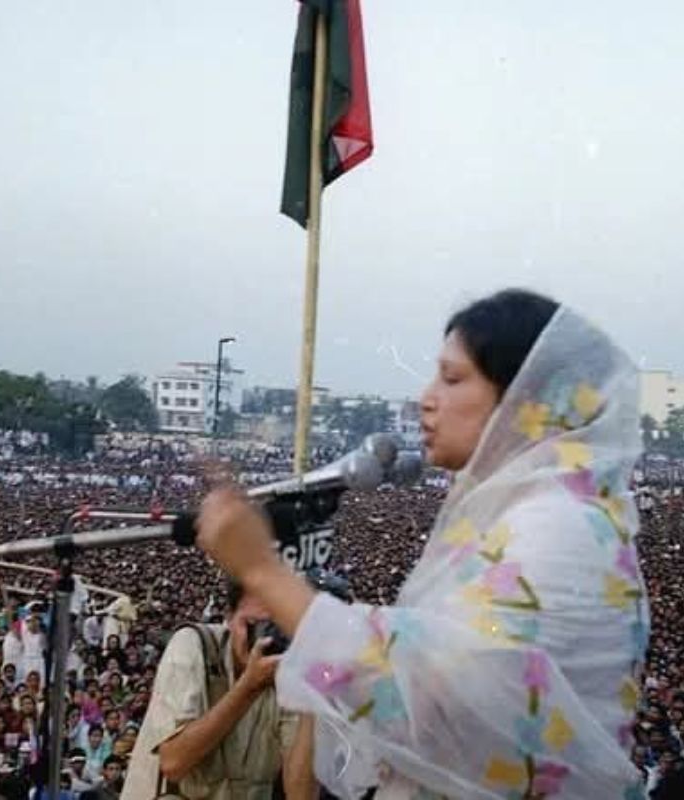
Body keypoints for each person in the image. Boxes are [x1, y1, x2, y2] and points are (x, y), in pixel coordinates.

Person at [194, 290, 650, 798]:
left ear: (524, 401)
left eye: (452, 378)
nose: (426, 397)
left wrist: (262, 571)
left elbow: (441, 687)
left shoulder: (558, 528)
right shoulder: (530, 513)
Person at [121, 580, 302, 799]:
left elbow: (302, 793)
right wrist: (249, 686)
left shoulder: (290, 673)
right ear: (228, 617)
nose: (262, 640)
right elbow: (173, 762)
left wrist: (312, 700)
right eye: (252, 625)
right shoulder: (193, 645)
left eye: (275, 628)